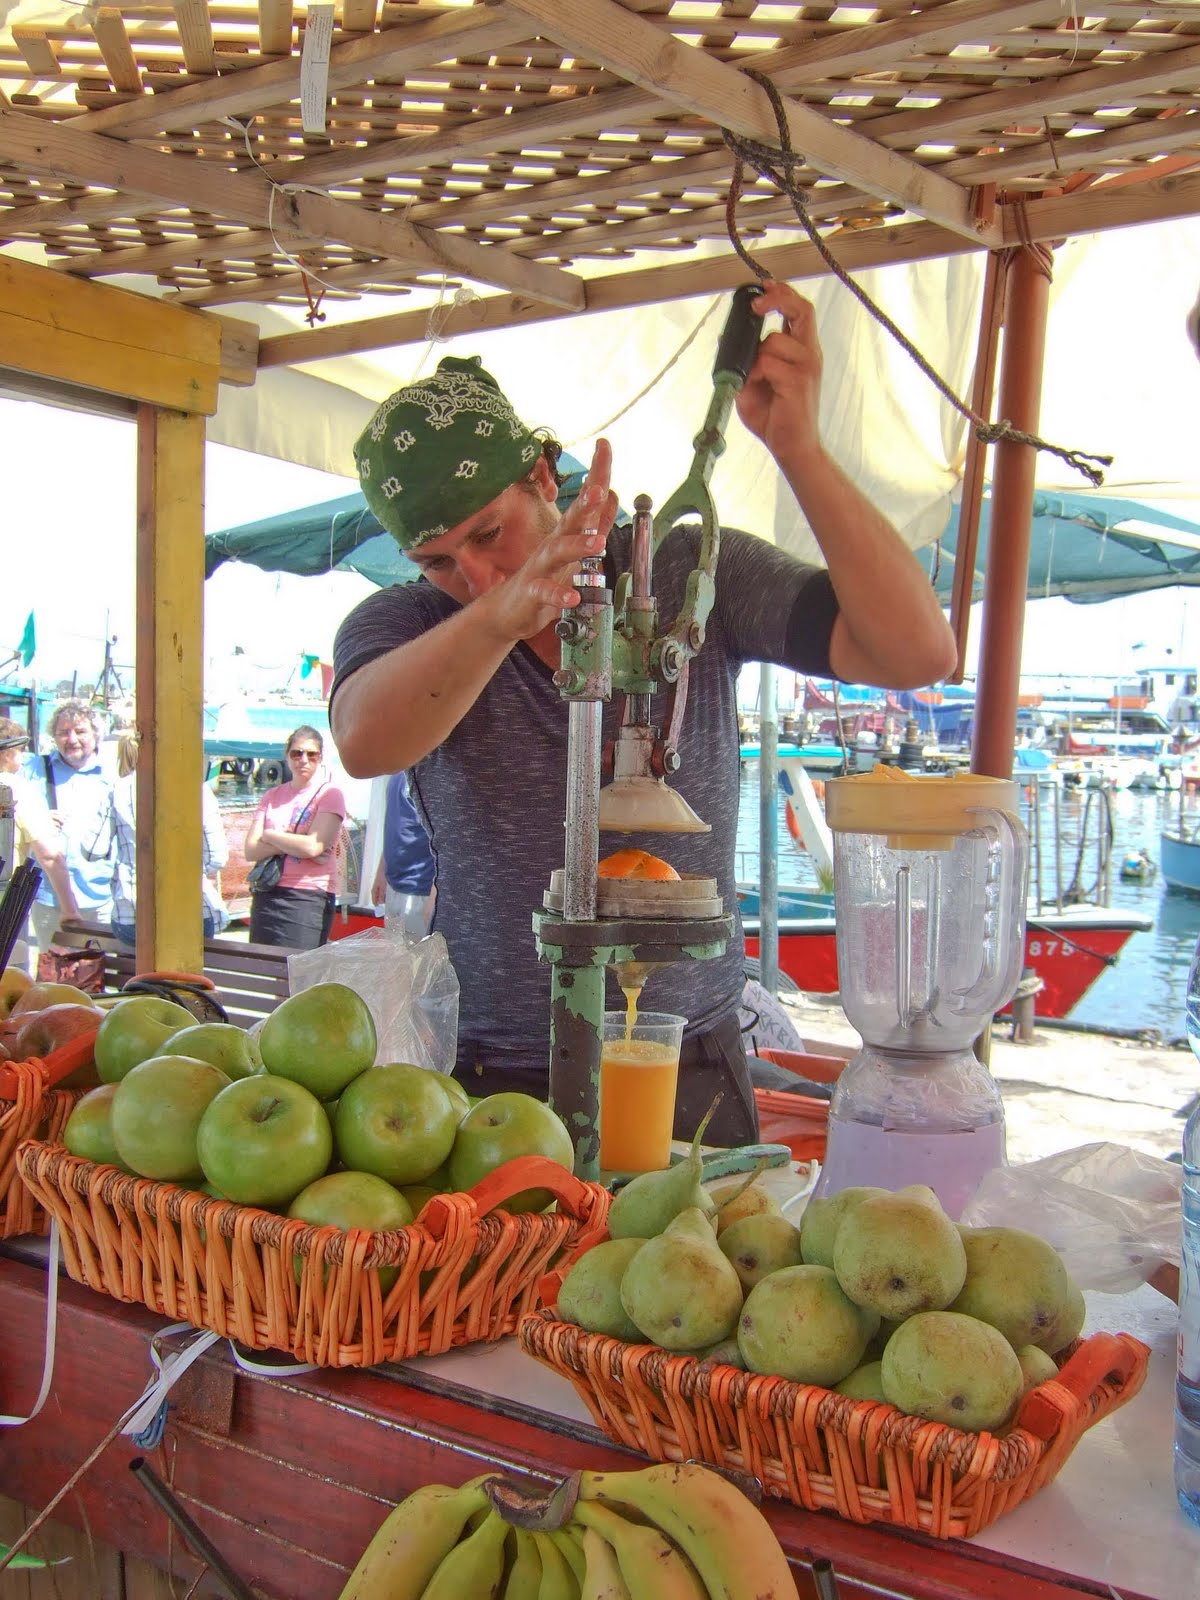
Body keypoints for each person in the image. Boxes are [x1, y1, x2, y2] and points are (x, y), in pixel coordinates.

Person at [330, 280, 956, 1144]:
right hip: (492, 1073)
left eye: (489, 534)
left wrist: (799, 448)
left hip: (687, 1055)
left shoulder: (688, 573)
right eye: (437, 560)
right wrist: (503, 612)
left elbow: (915, 652)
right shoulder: (409, 626)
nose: (473, 575)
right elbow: (364, 741)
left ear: (542, 475)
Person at [83, 731, 229, 946]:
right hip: (193, 912)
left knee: (137, 957)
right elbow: (217, 858)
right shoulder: (197, 789)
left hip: (132, 915)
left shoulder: (117, 790)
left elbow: (92, 850)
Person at [22, 699, 114, 961]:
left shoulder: (113, 774)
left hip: (101, 895)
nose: (72, 739)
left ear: (96, 734)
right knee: (55, 973)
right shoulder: (34, 771)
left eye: (80, 731)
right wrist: (34, 819)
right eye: (63, 732)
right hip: (49, 898)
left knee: (101, 973)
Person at [243, 726, 346, 949]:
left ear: (321, 757)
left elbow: (313, 846)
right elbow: (251, 850)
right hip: (267, 891)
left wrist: (270, 836)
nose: (303, 760)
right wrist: (292, 841)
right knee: (262, 962)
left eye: (311, 754)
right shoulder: (271, 796)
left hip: (307, 896)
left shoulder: (330, 794)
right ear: (287, 756)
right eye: (297, 753)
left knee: (298, 966)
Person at [0, 717, 79, 971]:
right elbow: (49, 855)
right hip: (6, 902)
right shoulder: (16, 789)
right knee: (10, 978)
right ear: (8, 753)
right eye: (20, 751)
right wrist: (69, 907)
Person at [372, 771, 436, 939]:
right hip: (394, 887)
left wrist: (436, 893)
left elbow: (447, 837)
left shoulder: (432, 771)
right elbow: (394, 825)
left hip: (422, 890)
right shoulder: (396, 772)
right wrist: (381, 872)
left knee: (417, 954)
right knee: (396, 952)